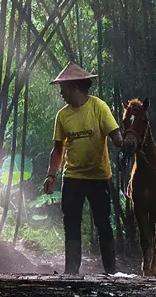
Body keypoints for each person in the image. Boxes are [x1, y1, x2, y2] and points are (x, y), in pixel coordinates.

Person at [42, 62, 123, 275]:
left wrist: (121, 140)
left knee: (103, 223)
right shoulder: (63, 115)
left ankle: (111, 271)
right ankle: (71, 271)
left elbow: (114, 134)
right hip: (73, 177)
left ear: (74, 87)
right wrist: (51, 175)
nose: (61, 92)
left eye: (63, 88)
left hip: (98, 177)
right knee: (71, 223)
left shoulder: (99, 107)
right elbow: (58, 150)